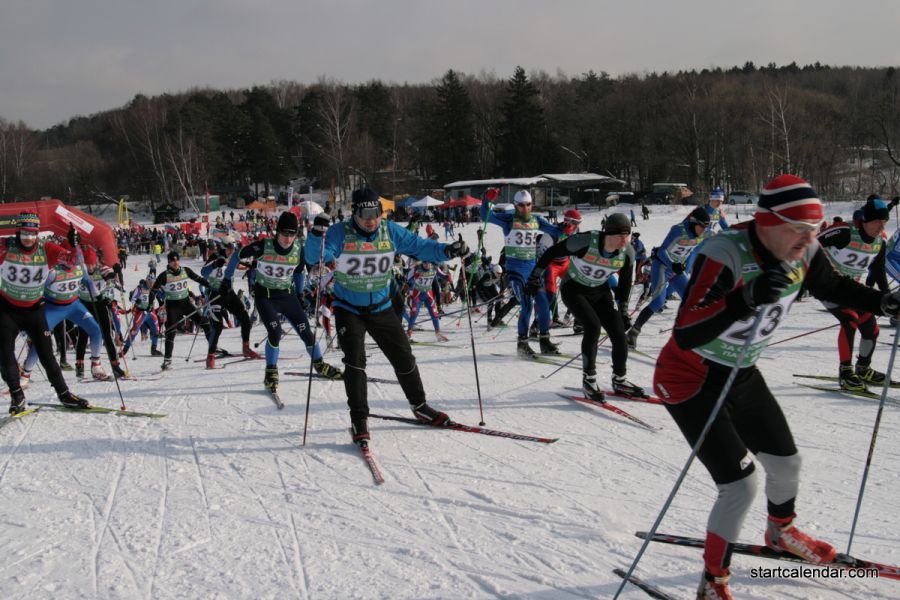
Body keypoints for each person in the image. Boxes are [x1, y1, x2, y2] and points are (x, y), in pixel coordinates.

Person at [652, 174, 900, 599]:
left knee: (787, 464)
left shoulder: (804, 249)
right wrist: (741, 298)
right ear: (767, 222)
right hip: (690, 376)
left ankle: (780, 531)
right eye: (799, 231)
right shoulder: (724, 252)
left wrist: (882, 301)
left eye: (812, 232)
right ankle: (713, 582)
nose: (807, 241)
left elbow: (834, 286)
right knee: (740, 486)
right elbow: (686, 330)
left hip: (741, 373)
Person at [305, 187, 468, 446]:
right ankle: (359, 419)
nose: (371, 219)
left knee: (404, 356)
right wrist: (316, 235)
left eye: (377, 212)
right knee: (355, 363)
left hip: (381, 307)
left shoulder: (390, 231)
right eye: (365, 213)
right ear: (354, 213)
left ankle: (420, 406)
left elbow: (420, 247)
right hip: (350, 308)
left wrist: (446, 251)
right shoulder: (340, 232)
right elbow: (317, 257)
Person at [527, 213, 644, 401]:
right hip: (574, 289)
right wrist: (535, 276)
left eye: (628, 235)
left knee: (618, 330)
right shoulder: (585, 241)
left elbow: (624, 284)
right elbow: (551, 252)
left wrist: (622, 308)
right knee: (592, 327)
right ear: (609, 234)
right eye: (621, 236)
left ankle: (620, 379)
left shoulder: (627, 252)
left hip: (600, 291)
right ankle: (589, 381)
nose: (625, 240)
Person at [221, 211, 341, 392]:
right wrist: (226, 279)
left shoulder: (298, 249)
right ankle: (271, 371)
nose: (288, 238)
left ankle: (319, 364)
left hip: (287, 295)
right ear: (277, 232)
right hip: (265, 296)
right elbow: (238, 255)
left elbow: (300, 271)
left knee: (307, 333)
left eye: (292, 234)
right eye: (284, 234)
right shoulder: (263, 246)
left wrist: (300, 294)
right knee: (275, 332)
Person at [0, 213, 89, 413]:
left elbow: (72, 261)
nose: (28, 238)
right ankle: (17, 395)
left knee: (47, 354)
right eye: (24, 233)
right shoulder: (6, 247)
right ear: (18, 232)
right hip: (7, 308)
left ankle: (64, 394)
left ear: (37, 234)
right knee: (5, 353)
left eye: (32, 234)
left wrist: (73, 243)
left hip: (34, 310)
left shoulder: (46, 249)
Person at [817, 196, 890, 390]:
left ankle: (863, 369)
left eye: (885, 222)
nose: (881, 227)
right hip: (827, 286)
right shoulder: (844, 231)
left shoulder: (880, 243)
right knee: (850, 321)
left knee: (871, 328)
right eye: (877, 222)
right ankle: (845, 372)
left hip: (851, 290)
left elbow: (879, 270)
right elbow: (812, 244)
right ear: (866, 219)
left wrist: (888, 298)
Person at [480, 189, 562, 357]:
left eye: (528, 205)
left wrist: (565, 227)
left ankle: (544, 341)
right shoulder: (508, 220)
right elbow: (485, 215)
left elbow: (555, 231)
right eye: (522, 205)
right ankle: (522, 344)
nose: (525, 208)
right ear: (516, 206)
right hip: (515, 270)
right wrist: (486, 199)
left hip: (532, 270)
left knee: (544, 304)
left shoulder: (537, 220)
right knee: (527, 304)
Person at [626, 207, 711, 348]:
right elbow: (661, 252)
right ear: (693, 222)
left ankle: (689, 331)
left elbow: (694, 251)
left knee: (691, 299)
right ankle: (633, 332)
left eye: (706, 227)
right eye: (701, 226)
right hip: (662, 267)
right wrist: (673, 265)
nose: (703, 230)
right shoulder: (678, 230)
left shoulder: (703, 234)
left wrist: (686, 266)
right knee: (658, 302)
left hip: (676, 270)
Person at [21, 246, 107, 384]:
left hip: (74, 306)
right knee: (41, 339)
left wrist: (98, 296)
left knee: (95, 330)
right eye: (70, 260)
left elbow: (88, 282)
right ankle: (25, 373)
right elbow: (37, 288)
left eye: (75, 261)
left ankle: (96, 365)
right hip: (53, 308)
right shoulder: (53, 271)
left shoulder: (80, 268)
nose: (73, 264)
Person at [201, 243, 261, 368]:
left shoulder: (233, 257)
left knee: (245, 318)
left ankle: (246, 347)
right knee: (217, 326)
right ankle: (210, 356)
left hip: (228, 293)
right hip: (215, 295)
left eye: (233, 249)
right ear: (224, 248)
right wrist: (215, 264)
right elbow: (203, 272)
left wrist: (253, 266)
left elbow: (239, 265)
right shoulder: (216, 257)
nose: (232, 251)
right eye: (229, 249)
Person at [148, 250, 211, 371]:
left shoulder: (185, 270)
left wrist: (211, 287)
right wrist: (150, 304)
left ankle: (213, 349)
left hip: (186, 304)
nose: (175, 262)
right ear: (169, 262)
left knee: (205, 322)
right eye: (173, 260)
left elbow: (199, 279)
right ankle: (167, 360)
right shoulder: (164, 275)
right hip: (173, 307)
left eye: (177, 260)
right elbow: (154, 291)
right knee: (170, 333)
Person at [404, 261, 449, 341]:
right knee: (414, 313)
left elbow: (442, 274)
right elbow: (407, 278)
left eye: (429, 263)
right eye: (425, 263)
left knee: (434, 314)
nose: (427, 265)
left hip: (428, 294)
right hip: (417, 294)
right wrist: (415, 277)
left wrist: (448, 277)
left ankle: (438, 333)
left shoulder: (435, 267)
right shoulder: (417, 268)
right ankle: (408, 333)